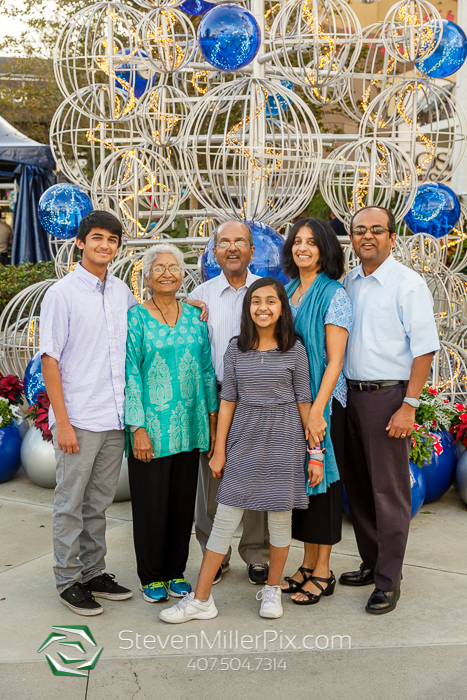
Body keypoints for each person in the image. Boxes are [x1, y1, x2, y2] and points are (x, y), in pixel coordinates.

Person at [159, 277, 313, 624]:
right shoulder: (234, 349)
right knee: (224, 519)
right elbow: (227, 401)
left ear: (282, 308)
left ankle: (273, 590)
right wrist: (219, 450)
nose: (262, 307)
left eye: (271, 301)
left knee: (279, 519)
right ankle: (201, 599)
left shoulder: (295, 349)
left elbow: (304, 402)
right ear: (248, 309)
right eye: (256, 301)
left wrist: (314, 453)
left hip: (284, 440)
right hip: (243, 439)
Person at [340, 206, 440, 614]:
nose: (367, 236)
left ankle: (389, 581)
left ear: (392, 237)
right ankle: (371, 563)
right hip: (349, 395)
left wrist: (409, 405)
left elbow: (425, 348)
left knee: (389, 493)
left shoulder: (407, 284)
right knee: (360, 488)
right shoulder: (348, 282)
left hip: (388, 398)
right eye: (359, 230)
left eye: (376, 230)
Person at [40, 210, 137, 615]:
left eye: (112, 240)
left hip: (113, 418)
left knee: (97, 505)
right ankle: (68, 580)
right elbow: (50, 360)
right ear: (80, 243)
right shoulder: (61, 294)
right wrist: (62, 422)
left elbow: (146, 325)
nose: (104, 245)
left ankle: (94, 571)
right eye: (96, 238)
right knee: (70, 505)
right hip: (78, 420)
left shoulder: (121, 292)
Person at [125, 243, 218, 603]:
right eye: (159, 267)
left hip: (189, 426)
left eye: (174, 267)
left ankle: (175, 572)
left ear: (183, 275)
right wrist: (138, 428)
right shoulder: (136, 318)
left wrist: (211, 422)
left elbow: (208, 371)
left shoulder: (196, 317)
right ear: (146, 277)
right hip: (151, 430)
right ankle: (150, 575)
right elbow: (131, 373)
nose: (167, 272)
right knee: (151, 506)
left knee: (181, 506)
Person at [187, 220, 270, 586]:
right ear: (214, 251)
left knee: (255, 477)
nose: (232, 248)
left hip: (256, 398)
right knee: (211, 480)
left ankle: (257, 553)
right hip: (212, 396)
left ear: (252, 250)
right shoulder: (198, 296)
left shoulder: (268, 293)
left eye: (240, 242)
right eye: (224, 242)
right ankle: (212, 553)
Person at [280, 218, 353, 605]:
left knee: (323, 483)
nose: (303, 247)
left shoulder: (334, 294)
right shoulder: (289, 289)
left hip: (324, 403)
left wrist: (316, 411)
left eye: (311, 242)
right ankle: (307, 563)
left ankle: (323, 571)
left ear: (325, 249)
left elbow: (334, 361)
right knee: (304, 485)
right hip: (294, 403)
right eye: (297, 241)